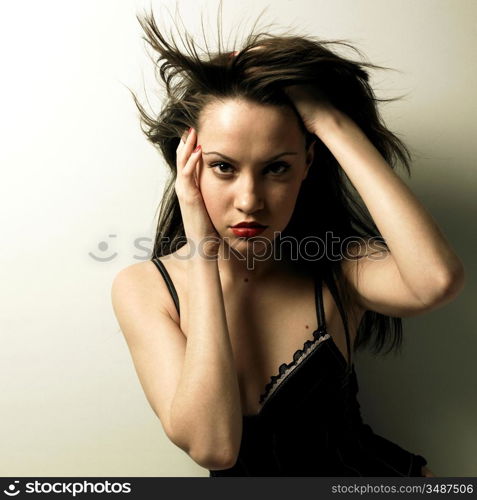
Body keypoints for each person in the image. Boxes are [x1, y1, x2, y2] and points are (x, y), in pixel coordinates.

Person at [111, 9, 465, 477]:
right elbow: (214, 448)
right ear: (189, 165)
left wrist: (329, 123)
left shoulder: (338, 264)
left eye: (276, 167)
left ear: (307, 163)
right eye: (223, 166)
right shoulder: (144, 288)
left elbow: (436, 280)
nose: (250, 200)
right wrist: (204, 252)